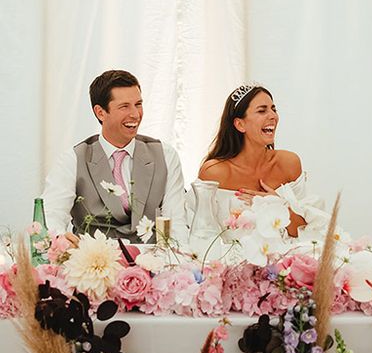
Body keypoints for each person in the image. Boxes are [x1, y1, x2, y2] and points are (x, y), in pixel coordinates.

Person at [42, 70, 187, 242]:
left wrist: (179, 264)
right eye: (124, 106)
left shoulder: (166, 155)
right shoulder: (72, 160)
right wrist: (60, 241)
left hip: (154, 263)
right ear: (100, 112)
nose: (135, 114)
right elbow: (50, 217)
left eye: (138, 104)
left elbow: (177, 222)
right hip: (94, 263)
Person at [199, 84, 323, 239]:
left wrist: (276, 204)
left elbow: (305, 232)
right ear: (240, 124)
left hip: (288, 259)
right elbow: (201, 233)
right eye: (262, 110)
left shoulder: (288, 163)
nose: (273, 116)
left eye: (273, 109)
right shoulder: (215, 172)